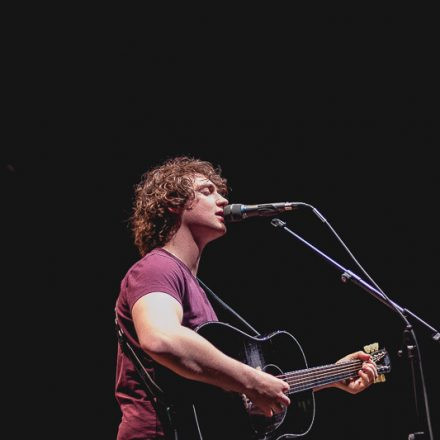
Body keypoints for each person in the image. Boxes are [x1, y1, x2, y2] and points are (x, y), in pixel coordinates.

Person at [114, 156, 378, 440]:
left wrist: (331, 377)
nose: (223, 200)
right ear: (172, 203)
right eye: (207, 191)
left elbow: (226, 390)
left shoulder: (195, 287)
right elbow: (160, 338)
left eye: (220, 192)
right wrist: (252, 381)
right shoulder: (157, 267)